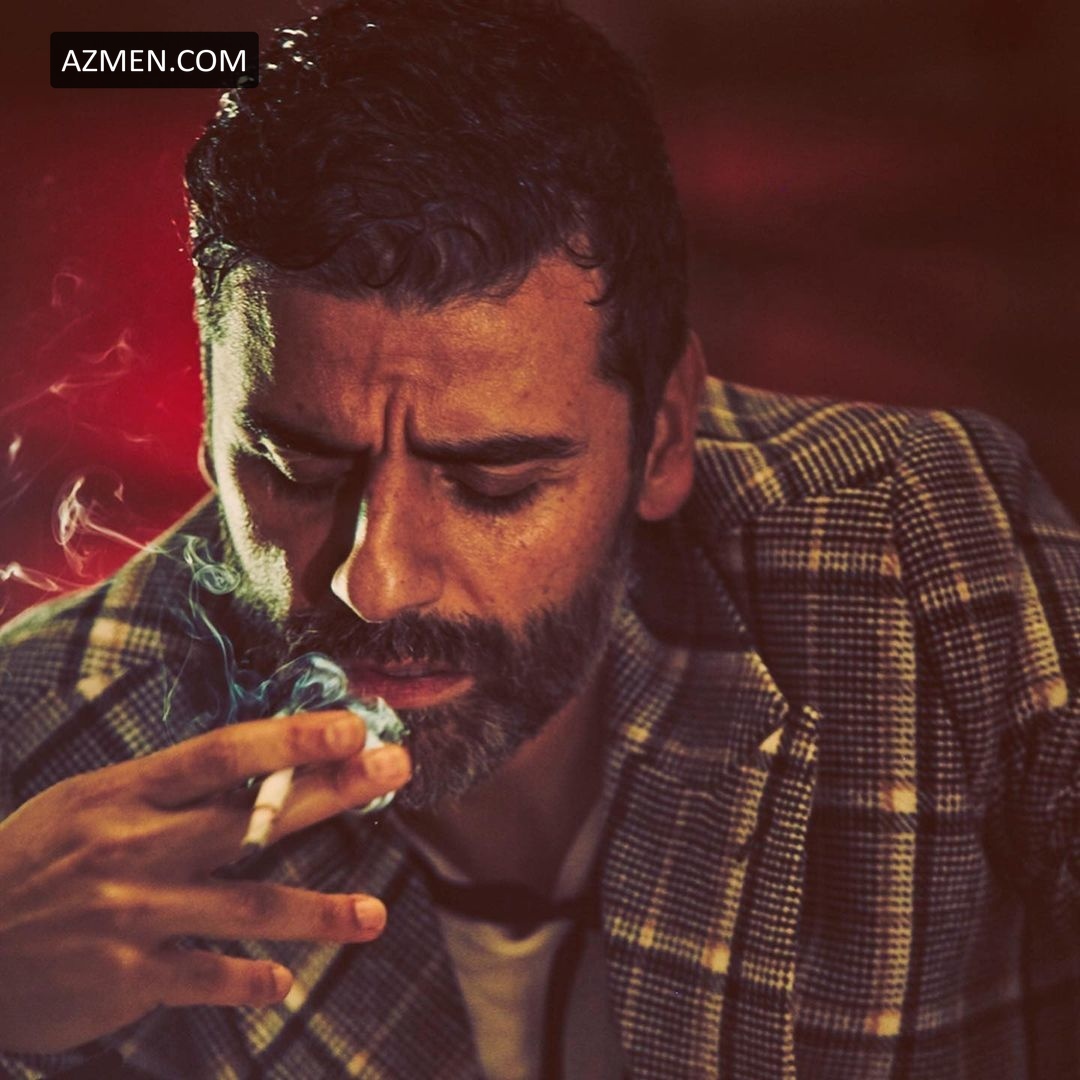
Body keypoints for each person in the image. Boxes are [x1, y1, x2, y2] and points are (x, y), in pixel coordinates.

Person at [1, 0, 1077, 1076]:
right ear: (212, 426)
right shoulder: (43, 739)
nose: (377, 580)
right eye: (298, 471)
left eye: (494, 482)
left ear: (663, 435)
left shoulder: (920, 551)